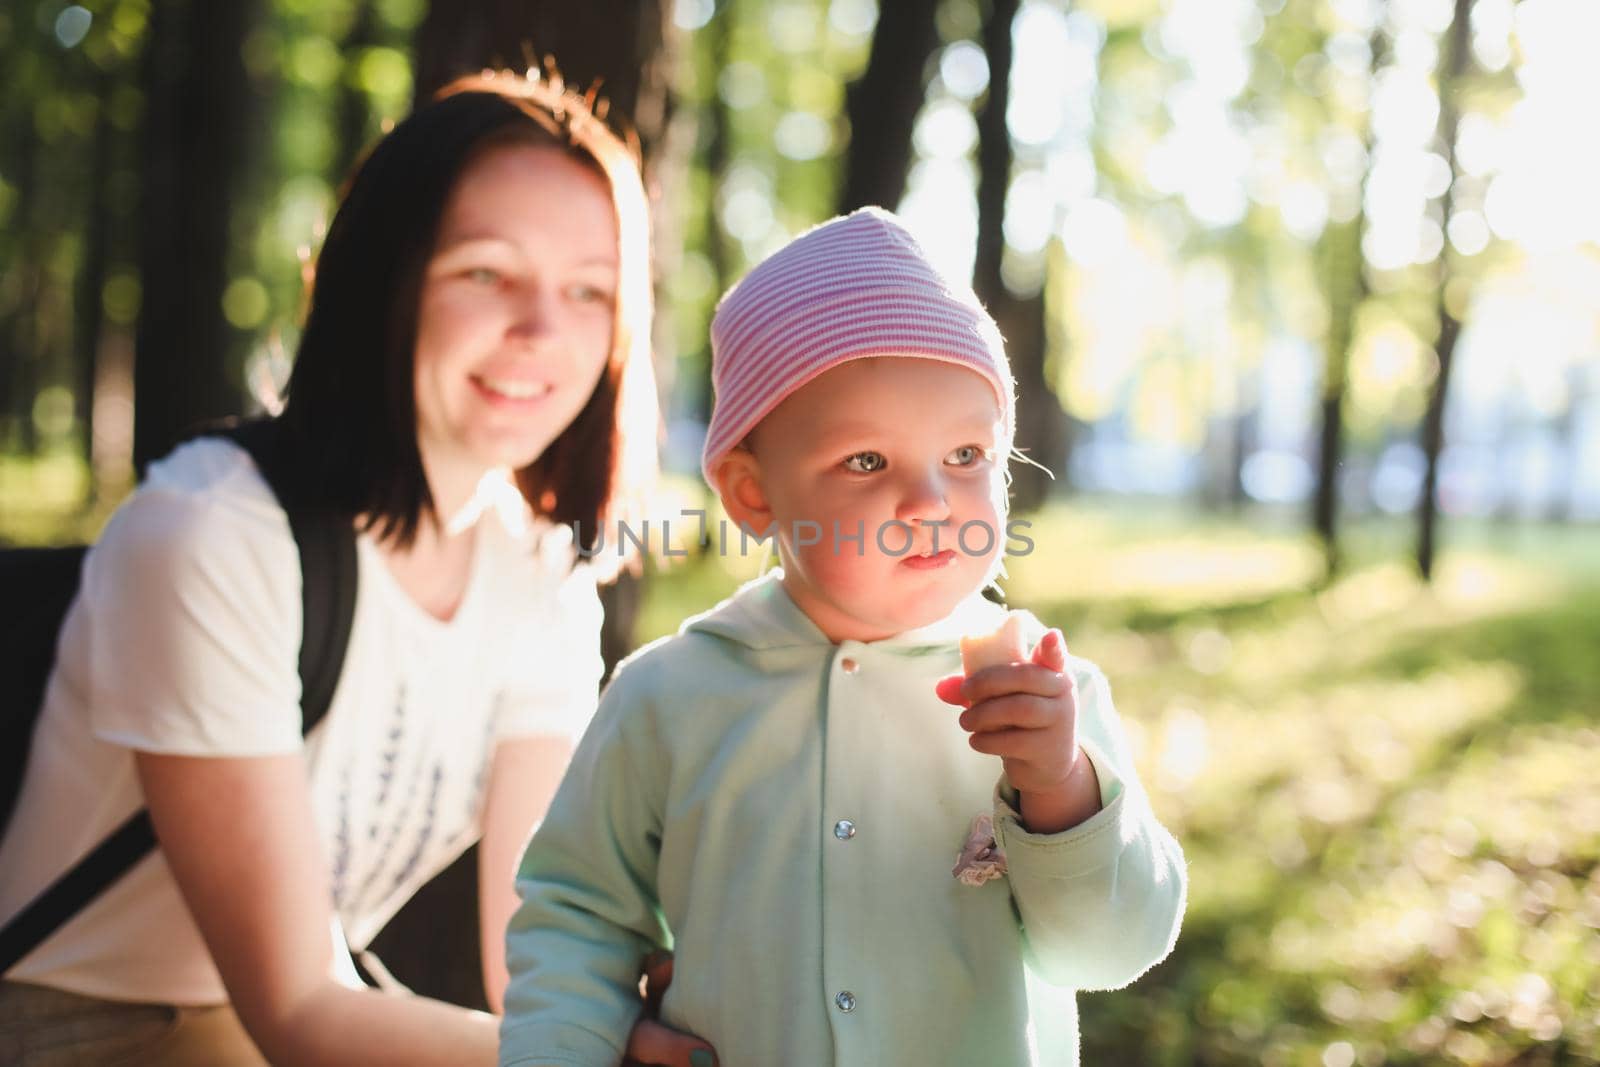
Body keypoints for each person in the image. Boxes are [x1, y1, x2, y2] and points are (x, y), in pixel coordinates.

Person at [0, 72, 711, 1067]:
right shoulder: (212, 531)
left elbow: (540, 939)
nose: (543, 330)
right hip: (68, 1023)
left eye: (589, 289)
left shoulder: (542, 571)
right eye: (485, 272)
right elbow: (297, 1005)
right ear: (387, 277)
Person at [497, 207, 1188, 1066]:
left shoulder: (1048, 700)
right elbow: (576, 911)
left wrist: (1059, 788)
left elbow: (1111, 950)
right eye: (867, 461)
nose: (931, 501)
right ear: (753, 496)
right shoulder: (668, 696)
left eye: (968, 455)